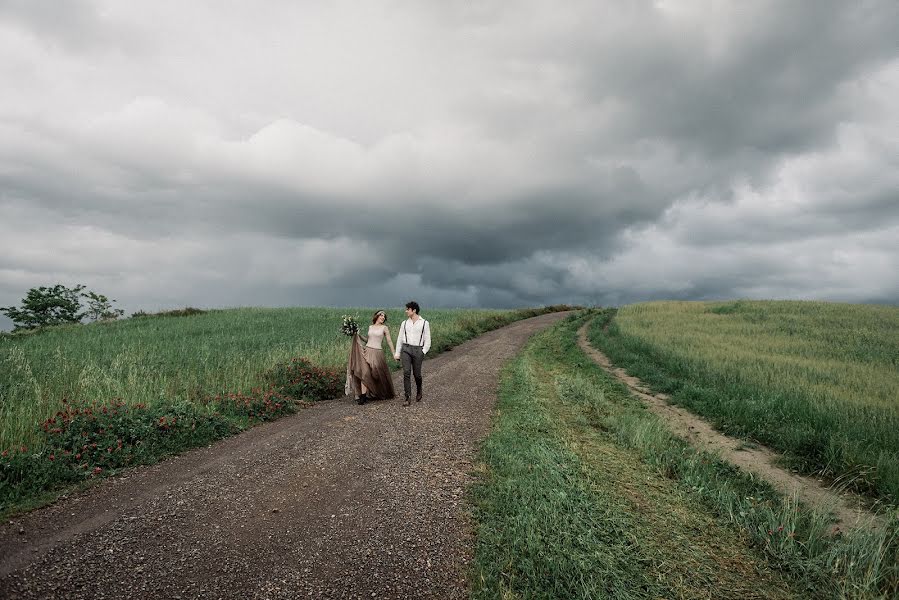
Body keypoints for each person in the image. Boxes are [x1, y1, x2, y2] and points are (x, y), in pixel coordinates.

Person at [347, 310, 397, 405]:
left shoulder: (384, 328)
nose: (383, 317)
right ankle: (363, 396)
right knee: (365, 373)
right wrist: (358, 335)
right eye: (381, 315)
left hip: (377, 353)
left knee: (377, 375)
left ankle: (381, 392)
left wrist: (394, 353)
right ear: (377, 316)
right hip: (367, 351)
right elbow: (368, 339)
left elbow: (389, 341)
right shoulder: (370, 327)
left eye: (384, 316)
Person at [394, 301, 431, 406]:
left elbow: (428, 340)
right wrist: (397, 353)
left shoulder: (424, 323)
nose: (406, 311)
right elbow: (400, 339)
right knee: (406, 372)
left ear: (414, 310)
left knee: (417, 375)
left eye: (407, 309)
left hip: (418, 350)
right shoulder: (404, 323)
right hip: (406, 349)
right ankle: (407, 397)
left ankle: (419, 390)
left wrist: (423, 352)